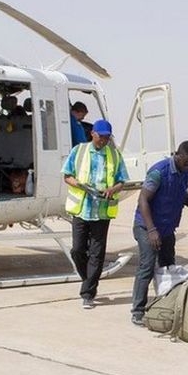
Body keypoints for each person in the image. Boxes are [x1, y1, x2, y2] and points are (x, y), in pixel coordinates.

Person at [130, 141, 188, 325]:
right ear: (178, 156)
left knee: (168, 266)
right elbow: (143, 200)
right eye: (187, 162)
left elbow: (182, 193)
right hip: (146, 226)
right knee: (147, 265)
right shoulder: (159, 172)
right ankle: (138, 310)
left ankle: (166, 304)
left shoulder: (186, 172)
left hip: (167, 228)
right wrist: (152, 230)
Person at [62, 119, 128, 309]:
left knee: (97, 254)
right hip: (82, 209)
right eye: (101, 137)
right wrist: (80, 185)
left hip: (102, 212)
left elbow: (122, 180)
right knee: (77, 250)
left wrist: (112, 189)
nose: (104, 141)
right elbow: (67, 175)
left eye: (107, 138)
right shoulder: (79, 151)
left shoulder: (114, 155)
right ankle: (88, 279)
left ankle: (88, 293)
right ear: (93, 134)